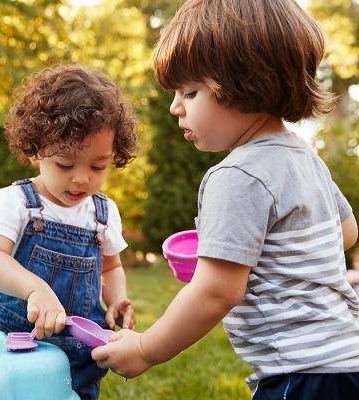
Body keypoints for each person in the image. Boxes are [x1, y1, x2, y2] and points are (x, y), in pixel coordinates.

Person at [91, 1, 359, 399]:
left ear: (245, 82)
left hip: (301, 373)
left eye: (190, 91)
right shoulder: (304, 157)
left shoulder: (236, 175)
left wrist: (146, 350)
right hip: (346, 358)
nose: (175, 107)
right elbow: (346, 232)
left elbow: (215, 292)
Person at [0, 64, 138, 399]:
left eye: (98, 166)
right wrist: (36, 289)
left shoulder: (103, 213)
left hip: (81, 355)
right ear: (35, 150)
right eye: (65, 165)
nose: (82, 179)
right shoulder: (15, 202)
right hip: (19, 347)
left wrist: (117, 299)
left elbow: (111, 266)